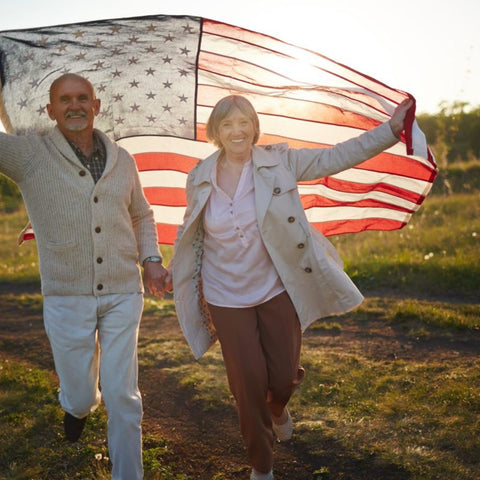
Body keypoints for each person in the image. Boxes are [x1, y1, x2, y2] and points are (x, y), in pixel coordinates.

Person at [168, 94, 413, 480]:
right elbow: (190, 229)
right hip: (225, 294)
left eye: (244, 122)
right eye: (228, 124)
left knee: (281, 377)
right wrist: (172, 268)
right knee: (247, 385)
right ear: (216, 132)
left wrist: (391, 131)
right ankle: (261, 468)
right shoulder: (200, 175)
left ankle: (278, 407)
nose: (237, 131)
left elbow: (335, 156)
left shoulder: (279, 161)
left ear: (254, 127)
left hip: (275, 286)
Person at [0, 73, 168, 480]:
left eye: (82, 98)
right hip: (66, 294)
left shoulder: (121, 159)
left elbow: (141, 214)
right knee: (79, 392)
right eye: (64, 100)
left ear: (96, 106)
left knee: (123, 394)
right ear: (50, 110)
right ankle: (77, 407)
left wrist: (151, 259)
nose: (74, 106)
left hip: (122, 290)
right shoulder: (29, 154)